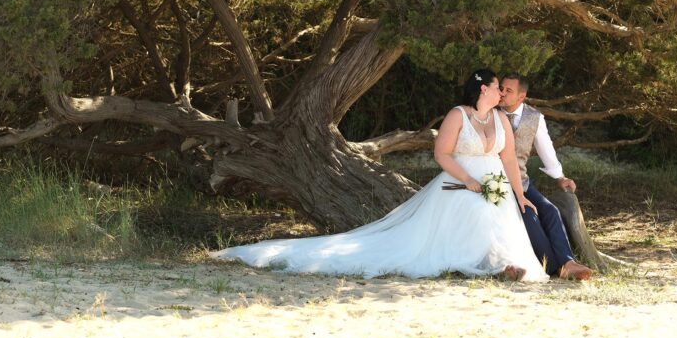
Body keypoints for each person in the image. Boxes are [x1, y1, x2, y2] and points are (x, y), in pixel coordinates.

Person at [211, 69, 549, 282]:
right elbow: (441, 153)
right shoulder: (458, 115)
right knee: (468, 218)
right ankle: (491, 265)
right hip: (458, 182)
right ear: (483, 90)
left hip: (496, 186)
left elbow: (507, 160)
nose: (501, 92)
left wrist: (519, 195)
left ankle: (504, 265)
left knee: (500, 221)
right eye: (496, 87)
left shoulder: (501, 120)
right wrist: (468, 180)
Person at [499, 73, 593, 281]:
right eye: (501, 88)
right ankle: (555, 268)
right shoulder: (491, 113)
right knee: (530, 216)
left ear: (521, 96)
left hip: (522, 181)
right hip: (498, 183)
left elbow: (546, 149)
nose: (502, 93)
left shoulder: (534, 117)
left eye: (508, 91)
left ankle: (568, 262)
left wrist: (560, 177)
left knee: (550, 210)